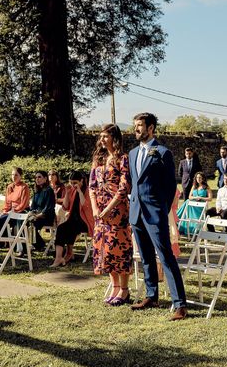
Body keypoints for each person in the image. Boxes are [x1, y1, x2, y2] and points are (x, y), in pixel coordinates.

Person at [128, 112, 188, 321]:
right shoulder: (132, 153)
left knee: (165, 257)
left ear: (151, 128)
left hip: (155, 213)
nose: (136, 129)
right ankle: (151, 296)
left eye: (139, 125)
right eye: (135, 125)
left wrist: (161, 209)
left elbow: (170, 186)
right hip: (136, 213)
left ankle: (180, 304)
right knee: (145, 258)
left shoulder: (163, 153)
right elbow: (133, 183)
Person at [89, 124, 133, 306]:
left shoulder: (123, 158)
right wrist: (95, 209)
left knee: (118, 249)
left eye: (106, 136)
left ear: (114, 138)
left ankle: (124, 290)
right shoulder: (98, 159)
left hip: (117, 211)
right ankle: (114, 286)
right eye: (101, 136)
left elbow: (124, 187)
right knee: (104, 250)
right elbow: (91, 186)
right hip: (100, 212)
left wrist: (108, 208)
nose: (102, 140)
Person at [51, 171, 95, 268]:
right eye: (71, 182)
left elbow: (86, 206)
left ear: (81, 181)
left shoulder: (88, 190)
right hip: (74, 220)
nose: (73, 185)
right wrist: (67, 193)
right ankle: (60, 256)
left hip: (85, 221)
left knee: (70, 227)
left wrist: (79, 192)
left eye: (75, 182)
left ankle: (68, 253)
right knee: (62, 227)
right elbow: (65, 207)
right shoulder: (71, 190)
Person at [0, 167, 30, 238]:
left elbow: (23, 204)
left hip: (20, 211)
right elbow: (7, 203)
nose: (14, 177)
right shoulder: (10, 187)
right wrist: (4, 211)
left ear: (20, 176)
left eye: (16, 175)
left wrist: (12, 211)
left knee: (0, 220)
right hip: (10, 211)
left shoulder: (24, 187)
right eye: (12, 175)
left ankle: (3, 241)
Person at [176, 171, 212, 236]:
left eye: (200, 177)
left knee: (187, 202)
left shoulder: (206, 187)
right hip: (193, 203)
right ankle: (178, 217)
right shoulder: (194, 186)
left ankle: (176, 216)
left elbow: (210, 198)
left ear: (203, 178)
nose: (198, 179)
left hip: (201, 206)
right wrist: (195, 197)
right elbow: (190, 197)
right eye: (197, 177)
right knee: (187, 201)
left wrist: (201, 198)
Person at [29, 171, 56, 252]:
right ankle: (28, 246)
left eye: (39, 177)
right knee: (24, 222)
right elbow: (33, 206)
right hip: (37, 216)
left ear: (45, 178)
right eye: (36, 177)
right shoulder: (37, 191)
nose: (37, 179)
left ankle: (40, 244)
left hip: (46, 217)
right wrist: (31, 214)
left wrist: (37, 216)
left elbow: (48, 208)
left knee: (30, 224)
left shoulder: (49, 191)